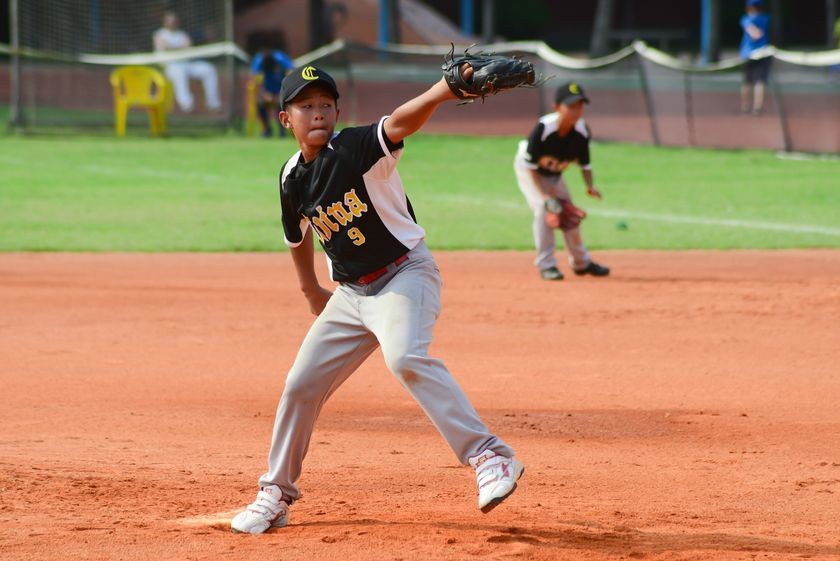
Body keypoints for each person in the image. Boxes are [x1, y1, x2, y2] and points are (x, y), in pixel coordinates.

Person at [230, 64, 524, 534]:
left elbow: (400, 122)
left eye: (325, 104)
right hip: (350, 295)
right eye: (305, 106)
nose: (317, 113)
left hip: (404, 275)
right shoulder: (290, 177)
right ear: (286, 119)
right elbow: (296, 235)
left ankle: (490, 456)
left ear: (337, 112)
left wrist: (442, 90)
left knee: (405, 357)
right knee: (301, 385)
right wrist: (310, 290)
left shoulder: (354, 147)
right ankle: (276, 493)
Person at [513, 81, 609, 281]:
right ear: (556, 107)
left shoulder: (581, 132)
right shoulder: (543, 128)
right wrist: (545, 197)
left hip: (554, 174)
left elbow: (585, 165)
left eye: (580, 105)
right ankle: (546, 265)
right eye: (571, 105)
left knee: (569, 214)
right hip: (528, 170)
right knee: (545, 210)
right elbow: (531, 167)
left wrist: (590, 186)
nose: (576, 110)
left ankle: (581, 263)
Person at [153, 11, 221, 113]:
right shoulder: (159, 34)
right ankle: (186, 104)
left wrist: (173, 48)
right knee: (179, 72)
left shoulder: (182, 34)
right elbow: (164, 47)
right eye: (169, 21)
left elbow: (188, 47)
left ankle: (213, 104)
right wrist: (180, 48)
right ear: (165, 22)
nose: (172, 23)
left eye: (174, 21)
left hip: (187, 64)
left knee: (209, 69)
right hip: (170, 67)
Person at [250, 48, 294, 137]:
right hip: (268, 92)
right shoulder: (259, 60)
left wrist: (282, 95)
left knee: (281, 104)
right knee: (260, 104)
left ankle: (282, 130)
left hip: (281, 91)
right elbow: (254, 81)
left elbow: (292, 76)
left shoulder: (280, 58)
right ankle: (267, 130)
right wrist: (264, 94)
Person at [739, 0, 771, 115]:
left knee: (747, 81)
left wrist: (754, 31)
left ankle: (745, 106)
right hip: (760, 53)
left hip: (749, 54)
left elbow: (754, 33)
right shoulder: (765, 18)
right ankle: (757, 107)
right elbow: (757, 33)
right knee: (759, 81)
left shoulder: (746, 19)